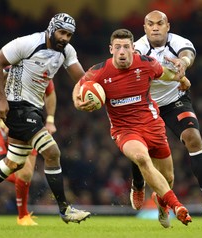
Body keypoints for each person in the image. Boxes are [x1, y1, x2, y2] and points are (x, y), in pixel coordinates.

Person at [0, 13, 91, 225]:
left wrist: (96, 90)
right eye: (61, 32)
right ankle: (65, 209)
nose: (65, 38)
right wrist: (2, 100)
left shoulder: (66, 51)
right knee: (52, 152)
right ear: (51, 29)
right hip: (17, 108)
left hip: (34, 109)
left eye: (69, 34)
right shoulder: (27, 43)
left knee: (13, 163)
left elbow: (82, 78)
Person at [72, 28, 192, 227]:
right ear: (111, 49)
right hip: (124, 130)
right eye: (117, 47)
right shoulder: (99, 71)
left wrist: (183, 79)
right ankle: (176, 206)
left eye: (126, 47)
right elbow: (79, 86)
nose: (122, 51)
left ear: (133, 48)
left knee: (168, 178)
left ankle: (161, 203)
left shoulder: (146, 64)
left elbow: (166, 73)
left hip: (152, 125)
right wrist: (77, 103)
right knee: (141, 158)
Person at [130, 10, 202, 220]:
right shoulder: (137, 49)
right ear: (144, 28)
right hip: (145, 104)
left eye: (160, 23)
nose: (155, 27)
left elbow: (187, 54)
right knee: (138, 149)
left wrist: (183, 63)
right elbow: (145, 70)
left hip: (175, 101)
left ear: (168, 26)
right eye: (150, 24)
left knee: (193, 137)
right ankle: (138, 185)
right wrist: (177, 76)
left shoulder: (179, 42)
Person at [0, 80, 57, 226]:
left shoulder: (42, 67)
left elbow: (50, 93)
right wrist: (1, 123)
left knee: (25, 174)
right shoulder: (7, 70)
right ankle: (23, 216)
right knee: (25, 172)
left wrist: (50, 119)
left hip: (33, 123)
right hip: (11, 126)